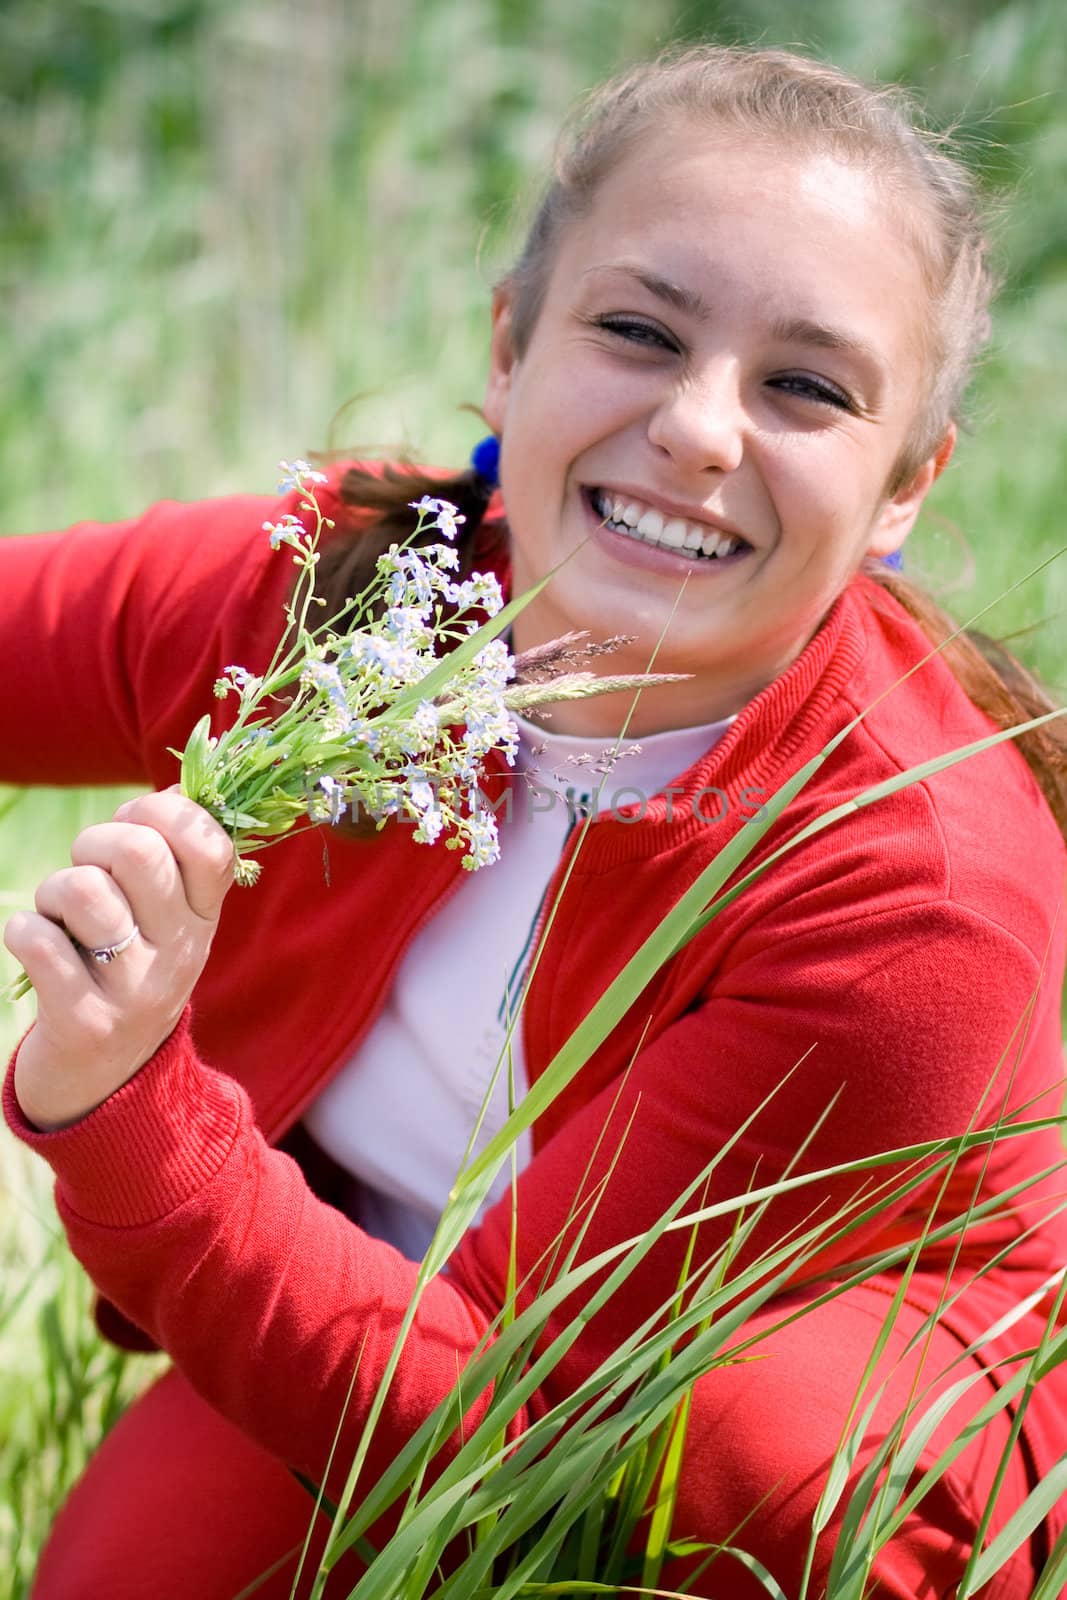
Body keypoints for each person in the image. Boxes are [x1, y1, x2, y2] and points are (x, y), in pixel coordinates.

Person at [3, 42, 1066, 1600]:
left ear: (905, 484)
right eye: (639, 331)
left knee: (745, 1467)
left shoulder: (923, 896)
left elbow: (499, 1430)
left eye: (807, 387)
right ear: (511, 349)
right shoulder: (338, 596)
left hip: (758, 1394)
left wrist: (129, 1107)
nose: (701, 430)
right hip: (385, 1268)